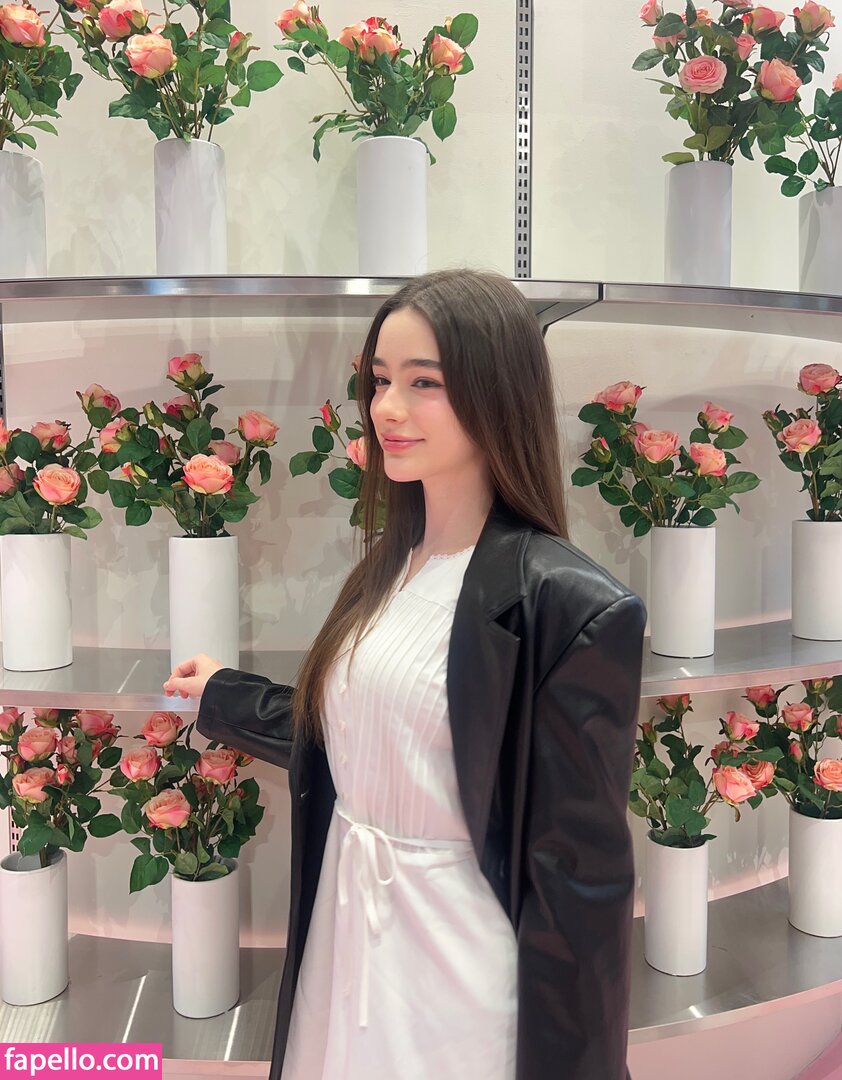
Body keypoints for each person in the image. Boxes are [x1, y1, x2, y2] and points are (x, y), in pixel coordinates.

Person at [163, 268, 646, 1080]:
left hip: (455, 968)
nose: (387, 408)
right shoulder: (390, 567)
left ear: (497, 393)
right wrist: (226, 696)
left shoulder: (569, 606)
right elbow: (361, 735)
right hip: (347, 934)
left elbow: (580, 886)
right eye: (381, 380)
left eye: (425, 383)